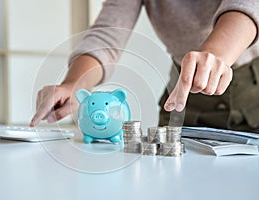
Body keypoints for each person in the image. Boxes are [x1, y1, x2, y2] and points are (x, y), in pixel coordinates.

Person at [29, 0, 259, 133]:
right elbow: (108, 33)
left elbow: (248, 4)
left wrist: (215, 54)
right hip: (186, 98)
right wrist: (73, 83)